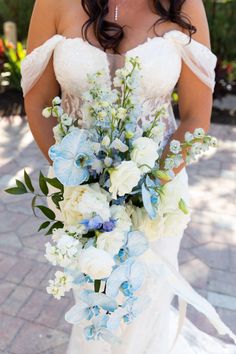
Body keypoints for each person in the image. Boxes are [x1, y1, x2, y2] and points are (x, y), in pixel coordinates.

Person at [21, 0, 236, 353]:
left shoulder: (186, 4)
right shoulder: (52, 3)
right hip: (81, 203)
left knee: (144, 313)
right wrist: (82, 184)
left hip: (157, 203)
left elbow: (197, 116)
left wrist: (141, 193)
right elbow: (38, 102)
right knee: (94, 310)